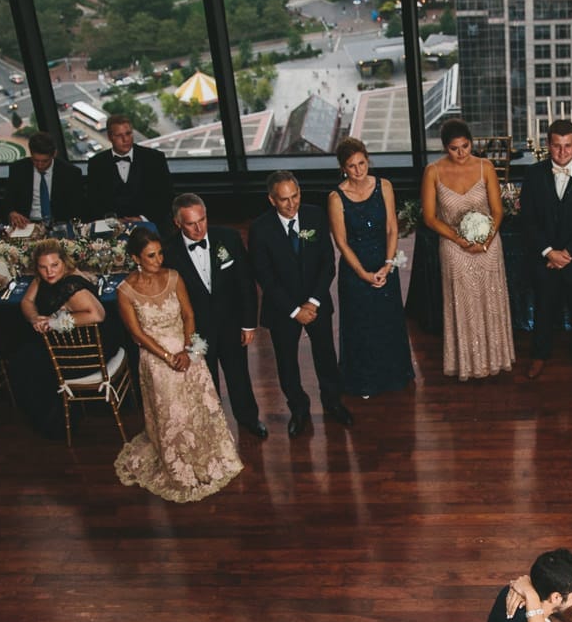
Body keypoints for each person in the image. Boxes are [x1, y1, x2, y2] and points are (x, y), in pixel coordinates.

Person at [112, 228, 243, 502]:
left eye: (160, 253)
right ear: (136, 258)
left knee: (200, 404)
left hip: (186, 348)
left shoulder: (173, 277)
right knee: (173, 412)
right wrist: (168, 357)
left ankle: (208, 452)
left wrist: (187, 350)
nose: (158, 260)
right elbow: (137, 334)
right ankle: (178, 462)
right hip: (155, 357)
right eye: (150, 256)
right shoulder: (125, 291)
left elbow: (189, 314)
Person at [250, 172, 353, 433]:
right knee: (286, 363)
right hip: (282, 309)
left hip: (316, 304)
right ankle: (298, 408)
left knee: (326, 356)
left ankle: (332, 402)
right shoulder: (260, 229)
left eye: (295, 196)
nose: (291, 203)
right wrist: (295, 310)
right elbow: (265, 277)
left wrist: (313, 302)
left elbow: (327, 263)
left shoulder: (315, 216)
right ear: (272, 200)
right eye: (284, 199)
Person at [420, 121, 514, 383]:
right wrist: (459, 240)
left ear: (472, 143)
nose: (460, 153)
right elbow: (429, 217)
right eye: (454, 149)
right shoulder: (433, 171)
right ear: (445, 148)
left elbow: (497, 211)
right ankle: (467, 362)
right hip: (453, 247)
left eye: (465, 147)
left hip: (488, 245)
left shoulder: (486, 168)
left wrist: (485, 240)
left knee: (489, 301)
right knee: (462, 304)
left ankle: (495, 358)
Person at [164, 194, 266, 437]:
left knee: (238, 374)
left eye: (203, 219)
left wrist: (249, 324)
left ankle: (248, 419)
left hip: (231, 324)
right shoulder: (169, 252)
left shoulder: (228, 238)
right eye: (191, 223)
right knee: (205, 380)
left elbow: (245, 283)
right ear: (178, 223)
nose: (199, 228)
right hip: (197, 330)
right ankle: (213, 426)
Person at [512, 121, 572, 382]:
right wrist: (549, 252)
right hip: (545, 260)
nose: (562, 152)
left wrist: (567, 254)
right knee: (544, 309)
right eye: (556, 146)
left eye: (567, 146)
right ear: (548, 145)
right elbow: (528, 220)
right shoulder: (533, 175)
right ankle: (540, 355)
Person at [327, 138, 415, 397]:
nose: (358, 170)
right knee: (361, 326)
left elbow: (392, 228)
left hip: (384, 263)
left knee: (388, 322)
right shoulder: (336, 197)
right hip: (356, 269)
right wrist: (363, 274)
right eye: (351, 166)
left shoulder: (384, 186)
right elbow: (341, 243)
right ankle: (364, 381)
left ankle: (395, 374)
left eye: (361, 163)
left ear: (368, 160)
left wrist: (388, 265)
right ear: (343, 168)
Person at [11, 240, 109, 438]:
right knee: (21, 354)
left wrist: (53, 322)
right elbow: (27, 301)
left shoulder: (71, 286)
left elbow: (98, 315)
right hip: (64, 339)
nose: (49, 272)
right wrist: (34, 318)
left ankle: (56, 422)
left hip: (88, 347)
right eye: (43, 267)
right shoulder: (43, 278)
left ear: (64, 262)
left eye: (54, 265)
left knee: (26, 362)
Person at [84, 114, 173, 222]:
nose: (125, 139)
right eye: (118, 135)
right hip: (111, 228)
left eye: (128, 133)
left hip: (149, 225)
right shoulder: (96, 163)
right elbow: (93, 203)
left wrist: (142, 219)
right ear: (109, 137)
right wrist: (112, 222)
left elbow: (166, 197)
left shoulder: (155, 159)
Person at [0, 132, 87, 229]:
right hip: (27, 225)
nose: (40, 165)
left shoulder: (71, 173)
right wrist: (12, 213)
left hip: (59, 225)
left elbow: (77, 209)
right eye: (35, 160)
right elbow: (7, 201)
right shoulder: (18, 169)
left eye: (45, 161)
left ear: (54, 154)